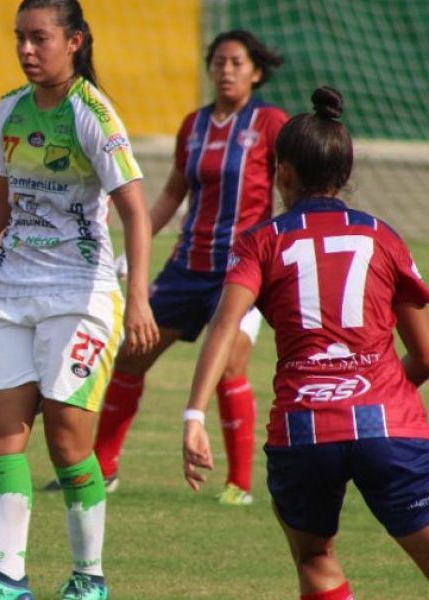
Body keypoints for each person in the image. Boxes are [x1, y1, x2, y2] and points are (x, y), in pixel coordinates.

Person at [0, 1, 158, 599]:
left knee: (68, 442)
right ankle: (7, 579)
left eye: (40, 39)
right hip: (14, 290)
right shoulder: (9, 109)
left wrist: (138, 300)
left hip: (79, 296)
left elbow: (135, 211)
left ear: (74, 42)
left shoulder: (92, 114)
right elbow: (0, 200)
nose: (27, 50)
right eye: (20, 38)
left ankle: (89, 578)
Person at [181, 85, 429, 600]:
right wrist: (371, 390)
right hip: (389, 425)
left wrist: (194, 415)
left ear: (283, 172)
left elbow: (225, 325)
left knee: (317, 558)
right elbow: (426, 353)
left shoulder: (261, 241)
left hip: (304, 430)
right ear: (344, 175)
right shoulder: (383, 237)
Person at [86, 30, 288, 506]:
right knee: (132, 355)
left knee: (229, 364)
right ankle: (102, 469)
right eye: (218, 61)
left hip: (239, 270)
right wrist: (131, 249)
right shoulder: (193, 125)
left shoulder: (271, 122)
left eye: (237, 62)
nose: (226, 70)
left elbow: (291, 184)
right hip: (185, 266)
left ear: (256, 71)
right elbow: (173, 193)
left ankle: (238, 485)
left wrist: (277, 245)